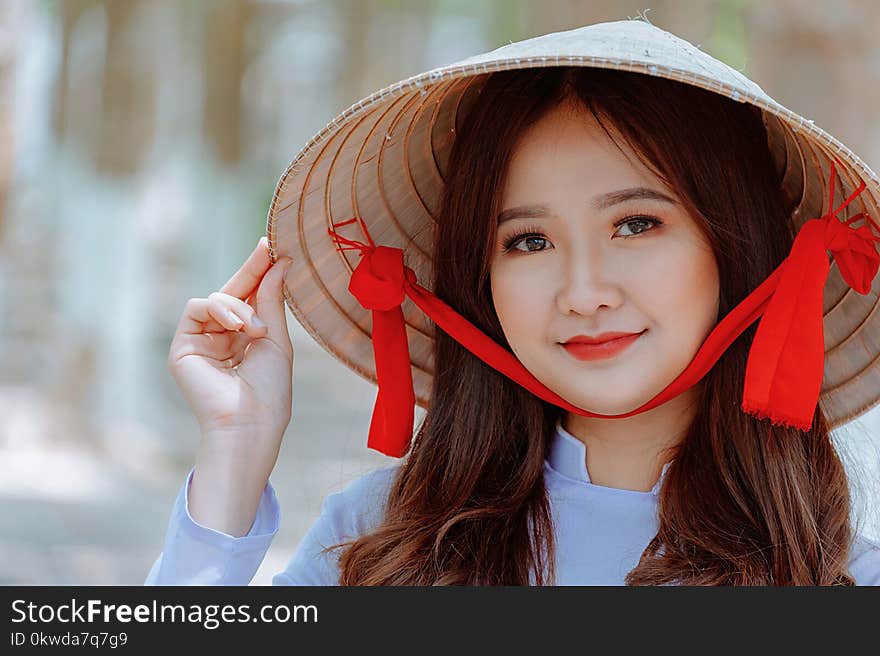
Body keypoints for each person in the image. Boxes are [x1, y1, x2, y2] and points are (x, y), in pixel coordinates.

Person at [145, 19, 880, 585]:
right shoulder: (380, 545)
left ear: (740, 253)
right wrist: (233, 462)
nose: (584, 293)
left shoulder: (841, 575)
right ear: (478, 280)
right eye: (528, 241)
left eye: (636, 224)